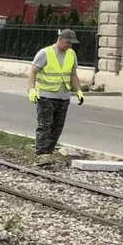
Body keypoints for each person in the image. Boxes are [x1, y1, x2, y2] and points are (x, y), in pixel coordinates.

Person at [28, 29, 84, 167]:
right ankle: (41, 154)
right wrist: (32, 90)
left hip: (63, 97)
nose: (70, 46)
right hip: (46, 96)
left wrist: (79, 90)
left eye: (72, 43)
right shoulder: (45, 53)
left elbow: (73, 74)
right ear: (60, 39)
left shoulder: (71, 54)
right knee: (45, 125)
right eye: (68, 42)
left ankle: (49, 152)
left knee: (57, 127)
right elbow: (32, 71)